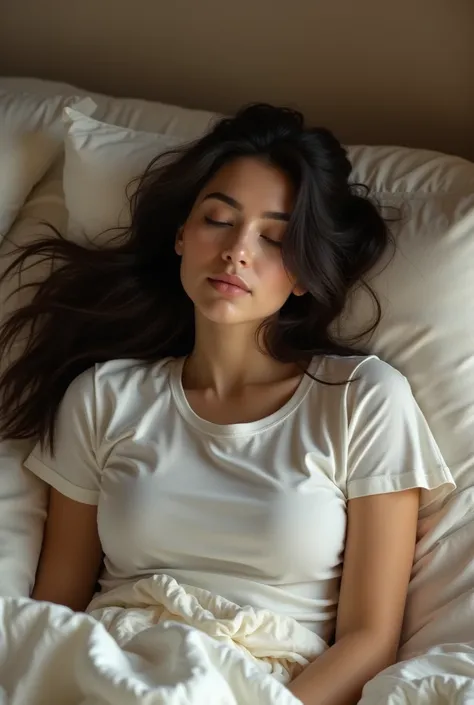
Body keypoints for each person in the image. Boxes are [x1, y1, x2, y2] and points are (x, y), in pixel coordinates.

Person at [0, 104, 454, 705]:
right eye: (219, 219)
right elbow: (57, 607)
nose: (238, 250)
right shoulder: (104, 395)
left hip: (267, 686)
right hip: (112, 663)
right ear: (182, 235)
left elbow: (370, 639)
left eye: (273, 238)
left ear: (301, 273)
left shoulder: (362, 400)